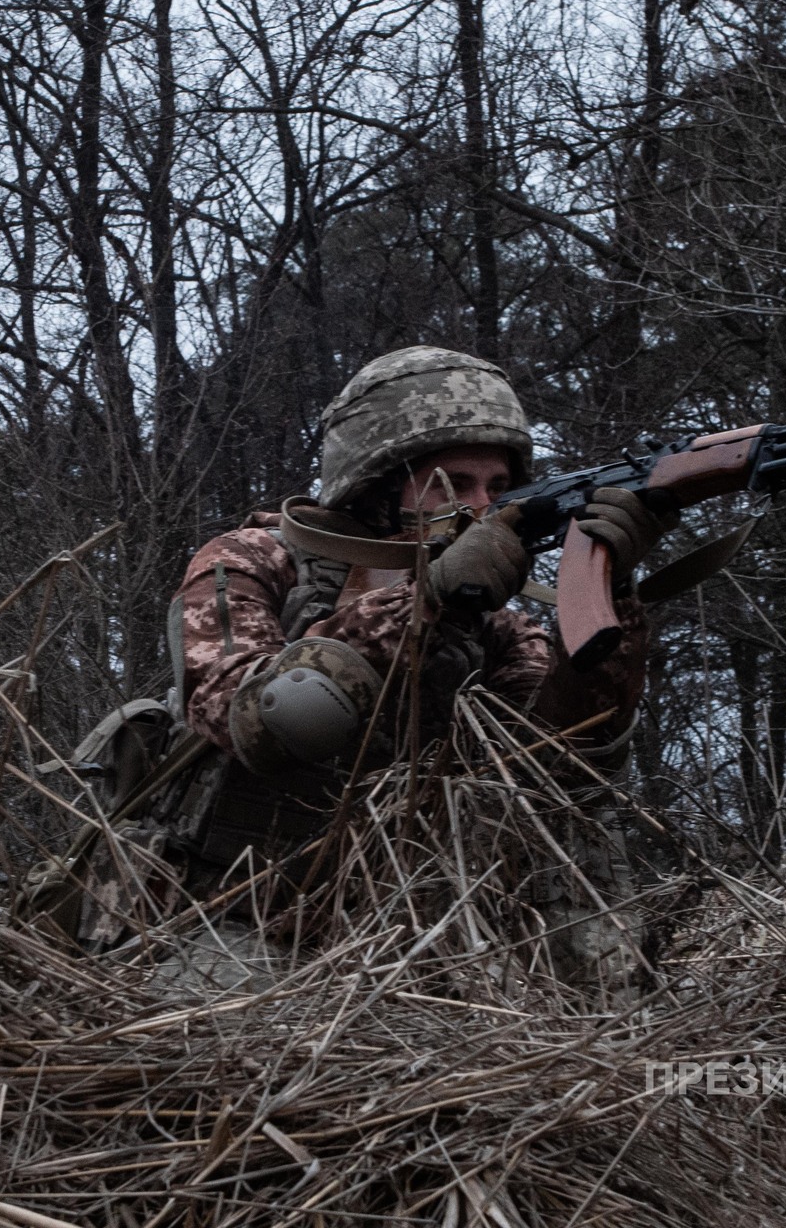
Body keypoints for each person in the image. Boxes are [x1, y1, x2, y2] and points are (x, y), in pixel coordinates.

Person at [95, 346, 665, 984]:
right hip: (218, 923)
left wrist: (611, 605)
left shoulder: (496, 629)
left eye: (499, 488)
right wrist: (422, 602)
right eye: (450, 484)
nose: (482, 508)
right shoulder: (255, 562)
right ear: (377, 484)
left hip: (402, 943)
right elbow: (257, 717)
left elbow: (558, 770)